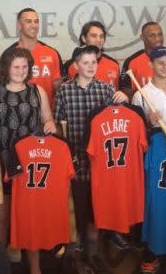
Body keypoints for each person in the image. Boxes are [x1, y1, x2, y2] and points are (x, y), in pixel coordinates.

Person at [0, 46, 55, 268]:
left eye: (25, 67)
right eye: (16, 66)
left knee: (30, 220)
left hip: (31, 166)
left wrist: (49, 125)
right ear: (7, 68)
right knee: (1, 220)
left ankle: (35, 269)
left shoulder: (38, 91)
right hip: (1, 163)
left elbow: (48, 119)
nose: (20, 70)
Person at [54, 45, 127, 270]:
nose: (90, 67)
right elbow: (57, 125)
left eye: (93, 62)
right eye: (85, 63)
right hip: (76, 160)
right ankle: (79, 252)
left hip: (101, 163)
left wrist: (124, 98)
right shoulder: (64, 91)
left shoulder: (106, 89)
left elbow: (120, 120)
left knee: (98, 209)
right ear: (76, 65)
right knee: (79, 208)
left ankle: (94, 253)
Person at [5, 8, 63, 110]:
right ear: (19, 25)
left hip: (46, 118)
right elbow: (3, 89)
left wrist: (52, 113)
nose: (33, 25)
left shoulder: (52, 53)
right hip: (18, 116)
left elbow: (58, 90)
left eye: (36, 21)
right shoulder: (9, 54)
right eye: (28, 21)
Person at [120, 22, 166, 98]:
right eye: (152, 35)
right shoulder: (131, 62)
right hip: (141, 108)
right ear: (142, 37)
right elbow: (125, 91)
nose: (157, 39)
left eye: (160, 34)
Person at [63, 20, 120, 88]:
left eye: (101, 36)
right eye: (94, 36)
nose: (98, 40)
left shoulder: (114, 64)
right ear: (84, 38)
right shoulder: (70, 65)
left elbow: (120, 92)